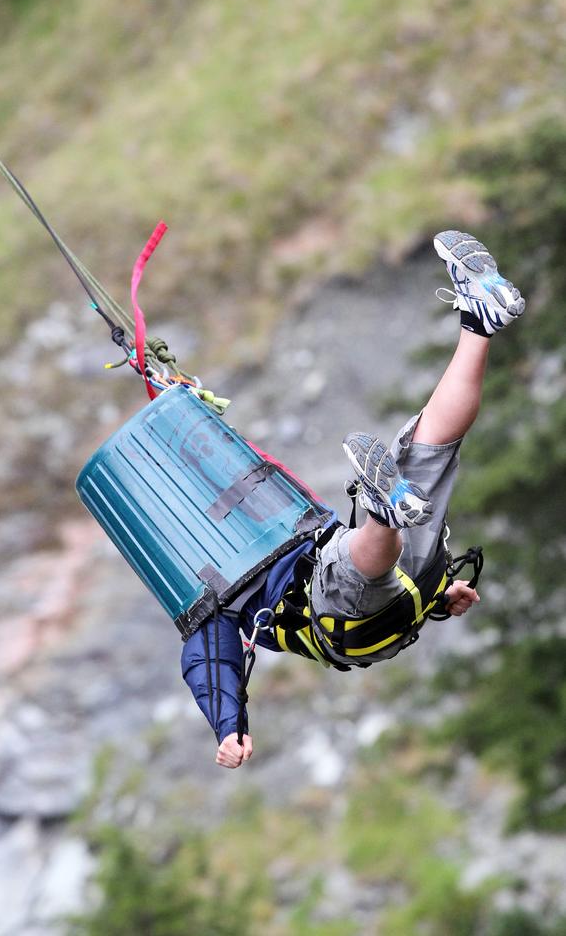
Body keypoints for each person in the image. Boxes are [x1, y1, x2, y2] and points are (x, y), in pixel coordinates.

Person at [181, 230, 526, 769]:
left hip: (405, 588)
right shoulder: (219, 587)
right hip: (350, 614)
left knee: (427, 449)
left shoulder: (232, 574)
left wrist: (437, 598)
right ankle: (384, 514)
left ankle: (478, 323)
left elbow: (208, 658)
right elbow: (209, 660)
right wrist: (229, 724)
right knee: (353, 565)